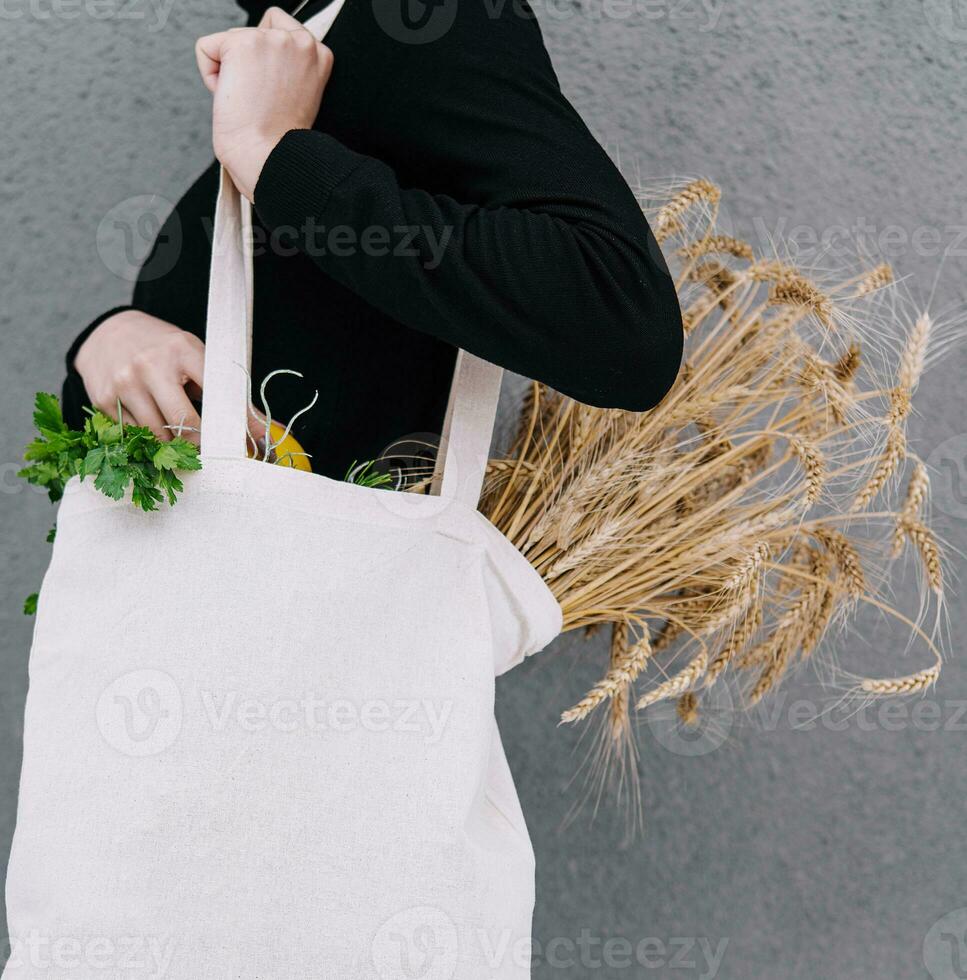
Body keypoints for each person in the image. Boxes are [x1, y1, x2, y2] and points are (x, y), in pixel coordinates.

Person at [64, 0, 682, 479]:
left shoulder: (422, 19)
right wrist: (107, 342)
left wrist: (271, 152)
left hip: (307, 621)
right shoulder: (296, 33)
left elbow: (621, 318)